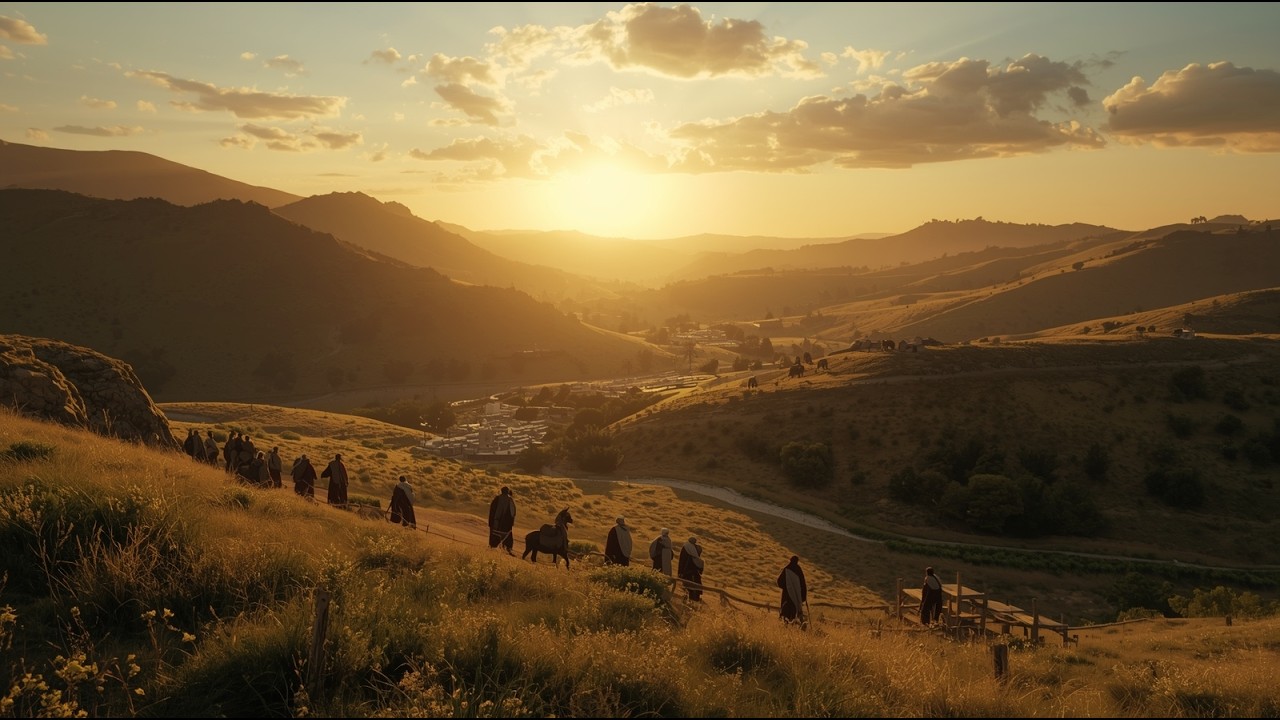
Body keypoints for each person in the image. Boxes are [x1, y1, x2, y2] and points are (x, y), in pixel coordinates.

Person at [777, 555, 808, 624]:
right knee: (794, 613)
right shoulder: (799, 570)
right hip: (796, 597)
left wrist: (786, 587)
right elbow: (803, 584)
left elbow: (779, 582)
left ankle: (785, 626)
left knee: (785, 613)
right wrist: (803, 597)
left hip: (786, 596)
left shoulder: (786, 569)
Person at [487, 486, 516, 554]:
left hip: (496, 522)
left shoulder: (497, 499)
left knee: (494, 535)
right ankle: (508, 549)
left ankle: (492, 548)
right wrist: (511, 523)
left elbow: (492, 511)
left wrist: (491, 522)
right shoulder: (510, 500)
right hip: (506, 524)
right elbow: (513, 513)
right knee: (507, 537)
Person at [678, 536, 705, 602]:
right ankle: (693, 599)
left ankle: (690, 599)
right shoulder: (694, 549)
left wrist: (680, 571)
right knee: (694, 585)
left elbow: (682, 560)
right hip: (692, 571)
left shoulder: (686, 547)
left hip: (687, 570)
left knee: (688, 585)